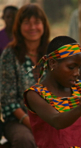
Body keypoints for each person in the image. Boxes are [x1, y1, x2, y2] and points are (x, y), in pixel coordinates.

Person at [23, 36, 81, 148]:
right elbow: (57, 121)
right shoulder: (35, 94)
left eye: (79, 67)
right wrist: (80, 109)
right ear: (52, 63)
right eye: (71, 67)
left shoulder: (78, 88)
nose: (77, 73)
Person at [0, 3, 50, 148]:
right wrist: (30, 122)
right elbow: (8, 99)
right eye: (27, 23)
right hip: (19, 120)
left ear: (44, 25)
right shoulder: (9, 55)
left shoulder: (52, 54)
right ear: (19, 26)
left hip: (52, 118)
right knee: (25, 140)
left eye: (37, 22)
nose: (32, 27)